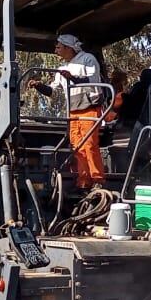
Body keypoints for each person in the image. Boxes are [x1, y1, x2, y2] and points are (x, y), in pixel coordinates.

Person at [30, 33, 106, 188]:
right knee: (77, 147)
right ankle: (83, 181)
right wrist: (38, 86)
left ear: (68, 47)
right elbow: (53, 91)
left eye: (58, 47)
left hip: (89, 108)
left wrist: (72, 78)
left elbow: (91, 81)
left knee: (90, 145)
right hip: (73, 111)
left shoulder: (87, 59)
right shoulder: (62, 68)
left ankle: (98, 180)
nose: (56, 50)